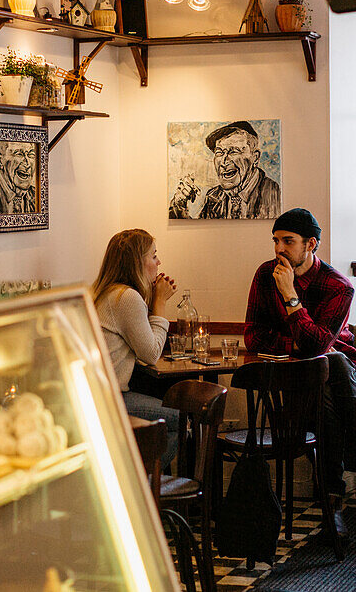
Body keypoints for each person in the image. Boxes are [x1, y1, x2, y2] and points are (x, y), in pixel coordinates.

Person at [244, 207, 356, 499]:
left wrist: (290, 296)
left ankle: (332, 501)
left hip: (344, 374)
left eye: (287, 241)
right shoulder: (265, 275)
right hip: (293, 375)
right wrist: (298, 345)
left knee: (331, 363)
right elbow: (253, 336)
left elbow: (317, 347)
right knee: (325, 371)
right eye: (275, 241)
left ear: (311, 244)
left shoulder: (338, 286)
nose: (279, 249)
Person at [92, 229, 181, 469]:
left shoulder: (106, 291)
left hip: (97, 394)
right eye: (153, 256)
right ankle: (141, 489)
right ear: (137, 262)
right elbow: (150, 354)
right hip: (110, 400)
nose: (159, 262)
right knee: (182, 420)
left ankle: (141, 484)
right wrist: (160, 303)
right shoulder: (126, 297)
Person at [169, 120, 281, 219]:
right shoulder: (214, 197)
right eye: (219, 152)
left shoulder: (273, 194)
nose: (223, 161)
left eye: (234, 151)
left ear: (255, 158)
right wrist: (179, 206)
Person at [0, 140, 36, 214]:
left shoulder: (35, 195)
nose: (27, 163)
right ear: (1, 160)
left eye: (31, 155)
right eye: (19, 154)